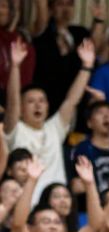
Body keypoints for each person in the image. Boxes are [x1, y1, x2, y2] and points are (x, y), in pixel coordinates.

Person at [6, 37, 94, 202]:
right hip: (27, 207)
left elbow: (71, 100)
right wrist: (16, 67)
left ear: (48, 106)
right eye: (31, 102)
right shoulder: (15, 129)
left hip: (58, 205)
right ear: (21, 109)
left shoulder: (54, 127)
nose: (38, 105)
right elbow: (12, 103)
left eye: (42, 101)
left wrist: (87, 66)